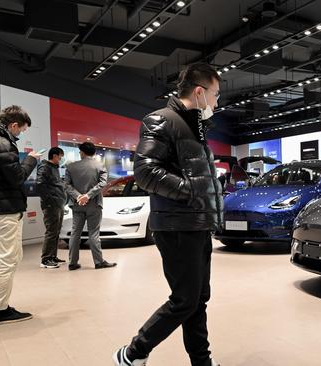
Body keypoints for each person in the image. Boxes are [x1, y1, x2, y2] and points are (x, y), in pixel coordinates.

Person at [113, 62, 223, 366]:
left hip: (197, 223)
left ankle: (201, 361)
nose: (216, 102)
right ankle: (133, 353)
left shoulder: (195, 127)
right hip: (176, 226)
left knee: (198, 299)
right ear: (200, 92)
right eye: (215, 94)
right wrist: (190, 190)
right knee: (185, 300)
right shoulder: (161, 121)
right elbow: (146, 172)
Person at [0, 105, 41, 325]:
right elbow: (17, 178)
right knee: (7, 259)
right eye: (22, 129)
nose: (21, 134)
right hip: (5, 208)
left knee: (8, 256)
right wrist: (32, 159)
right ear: (13, 125)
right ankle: (1, 310)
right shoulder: (2, 143)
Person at [64, 142, 116, 271]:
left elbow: (66, 185)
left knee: (75, 233)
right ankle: (99, 262)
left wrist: (78, 197)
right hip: (94, 204)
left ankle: (72, 263)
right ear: (94, 152)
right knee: (94, 233)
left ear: (81, 152)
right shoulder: (100, 166)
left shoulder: (71, 167)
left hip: (77, 205)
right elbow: (103, 183)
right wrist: (88, 196)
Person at [36, 147, 67, 269]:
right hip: (51, 205)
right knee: (51, 231)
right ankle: (46, 259)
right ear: (54, 156)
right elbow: (40, 185)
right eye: (60, 157)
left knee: (56, 231)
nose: (61, 159)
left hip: (58, 204)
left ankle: (52, 256)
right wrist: (49, 201)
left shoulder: (54, 168)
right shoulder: (45, 167)